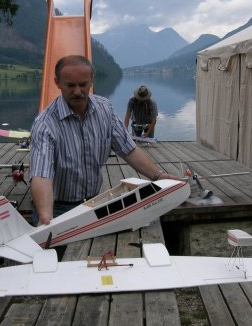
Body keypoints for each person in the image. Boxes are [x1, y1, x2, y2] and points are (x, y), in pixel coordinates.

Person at [29, 55, 179, 226]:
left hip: (93, 203)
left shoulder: (105, 109)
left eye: (83, 84)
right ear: (57, 82)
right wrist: (46, 216)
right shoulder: (44, 125)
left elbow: (128, 149)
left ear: (91, 80)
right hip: (56, 207)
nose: (78, 91)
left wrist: (158, 175)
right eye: (70, 85)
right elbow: (41, 175)